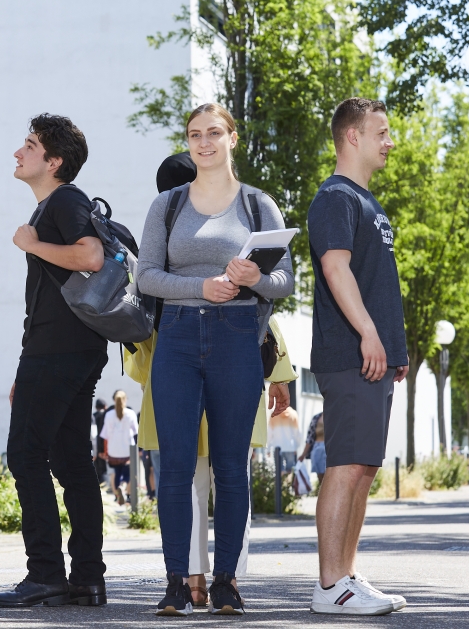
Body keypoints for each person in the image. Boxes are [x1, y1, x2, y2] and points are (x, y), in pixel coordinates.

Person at [137, 103, 295, 616]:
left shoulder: (257, 205)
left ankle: (225, 581)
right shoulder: (167, 205)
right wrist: (199, 286)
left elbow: (284, 281)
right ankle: (176, 583)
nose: (203, 143)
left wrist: (254, 281)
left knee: (230, 466)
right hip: (177, 339)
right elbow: (146, 277)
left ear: (232, 138)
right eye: (193, 135)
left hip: (236, 337)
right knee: (175, 464)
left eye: (212, 133)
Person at [0, 115, 108, 609]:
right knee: (73, 461)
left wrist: (32, 244)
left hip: (58, 350)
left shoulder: (65, 200)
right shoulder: (52, 206)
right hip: (68, 348)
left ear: (54, 162)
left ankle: (45, 575)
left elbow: (92, 256)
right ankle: (86, 579)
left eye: (30, 145)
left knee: (26, 454)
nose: (19, 152)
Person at [306, 98, 409, 616]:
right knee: (345, 467)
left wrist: (395, 348)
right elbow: (336, 270)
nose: (390, 141)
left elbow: (376, 282)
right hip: (350, 354)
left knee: (363, 468)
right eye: (382, 132)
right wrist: (369, 334)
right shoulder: (336, 198)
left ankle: (345, 575)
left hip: (373, 357)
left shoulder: (367, 201)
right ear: (352, 136)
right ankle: (329, 586)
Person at [102, 390, 139, 505]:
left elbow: (105, 435)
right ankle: (123, 487)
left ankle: (118, 494)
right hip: (128, 450)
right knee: (128, 473)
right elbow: (136, 432)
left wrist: (105, 451)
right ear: (125, 400)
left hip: (113, 450)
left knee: (117, 472)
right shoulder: (131, 414)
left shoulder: (108, 415)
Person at [267, 405, 302, 474]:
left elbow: (269, 433)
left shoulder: (274, 414)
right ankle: (289, 484)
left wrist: (268, 448)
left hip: (277, 447)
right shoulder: (293, 414)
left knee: (280, 472)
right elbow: (297, 433)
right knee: (291, 471)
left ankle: (281, 484)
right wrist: (296, 447)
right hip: (290, 447)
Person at [93, 399, 109, 484]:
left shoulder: (93, 416)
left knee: (96, 469)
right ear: (105, 406)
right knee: (105, 470)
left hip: (95, 445)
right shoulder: (107, 415)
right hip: (105, 445)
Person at [310, 416, 327, 487]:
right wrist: (303, 455)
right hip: (317, 447)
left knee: (329, 473)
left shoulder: (336, 415)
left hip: (329, 447)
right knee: (320, 475)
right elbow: (310, 437)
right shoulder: (316, 418)